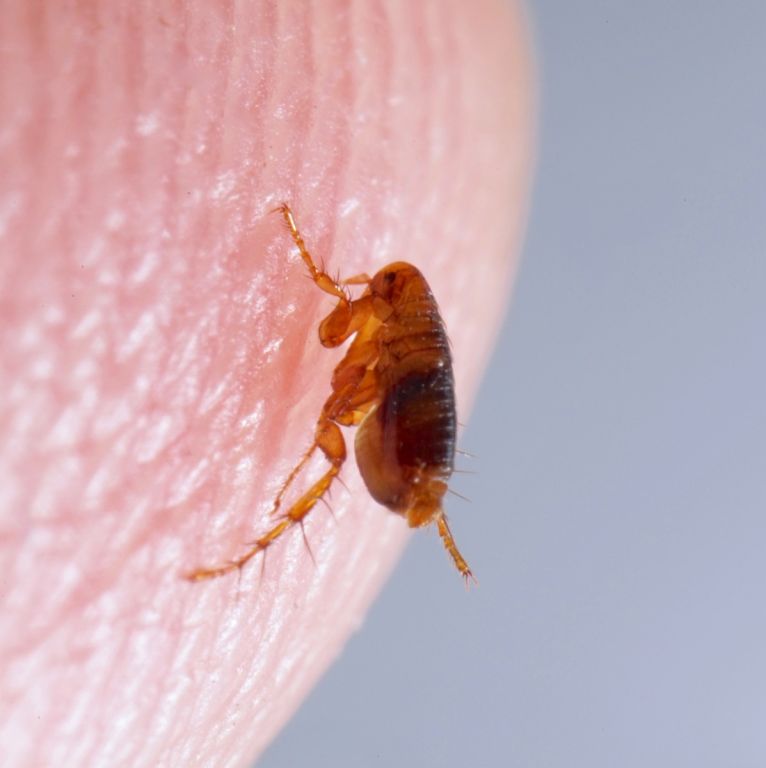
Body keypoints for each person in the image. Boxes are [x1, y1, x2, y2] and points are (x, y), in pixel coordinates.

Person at [0, 1, 532, 764]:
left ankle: (261, 549)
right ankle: (280, 542)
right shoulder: (396, 334)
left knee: (338, 453)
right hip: (411, 435)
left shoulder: (399, 338)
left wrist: (316, 271)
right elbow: (334, 338)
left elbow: (333, 333)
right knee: (336, 450)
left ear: (388, 296)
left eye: (375, 286)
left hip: (412, 441)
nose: (366, 290)